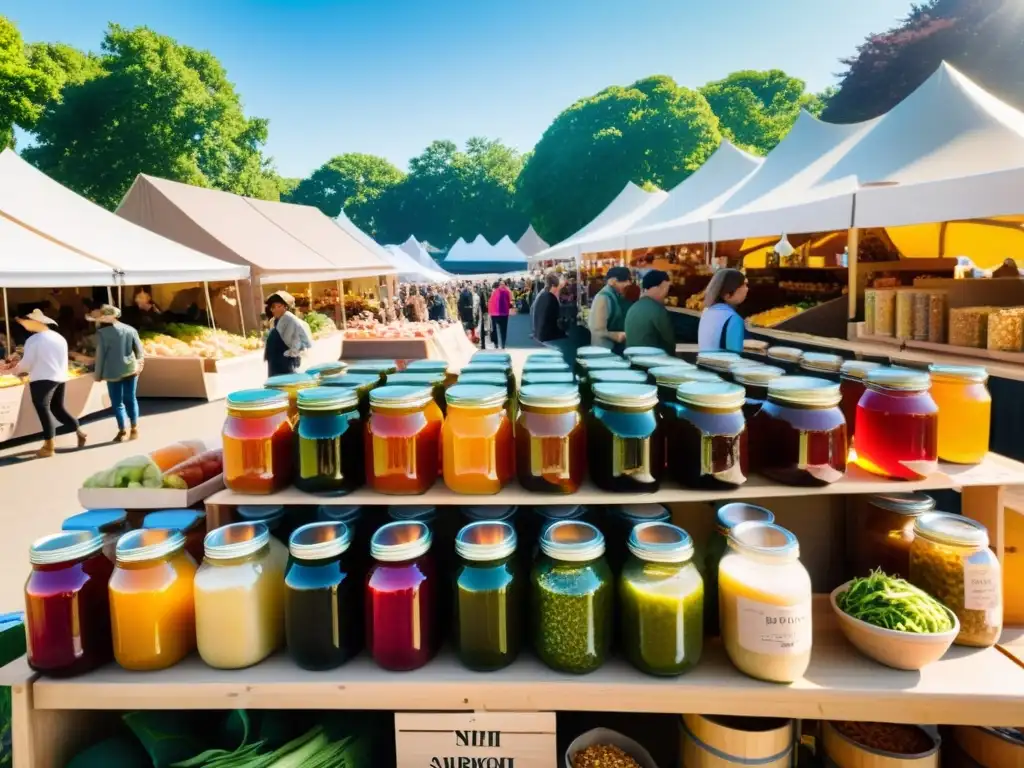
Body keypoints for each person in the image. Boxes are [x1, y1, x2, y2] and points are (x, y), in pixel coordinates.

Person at [13, 309, 87, 457]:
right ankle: (79, 430)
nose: (24, 326)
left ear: (35, 322)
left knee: (43, 409)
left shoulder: (33, 340)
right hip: (59, 376)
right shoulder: (59, 338)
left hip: (42, 378)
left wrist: (15, 370)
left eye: (24, 323)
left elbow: (26, 364)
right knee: (57, 408)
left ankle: (49, 446)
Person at [92, 305, 145, 442]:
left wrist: (98, 375)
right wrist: (140, 364)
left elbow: (101, 356)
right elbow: (139, 351)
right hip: (131, 369)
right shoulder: (131, 330)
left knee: (117, 402)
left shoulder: (103, 334)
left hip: (113, 371)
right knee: (131, 399)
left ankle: (122, 431)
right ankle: (134, 428)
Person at [624, 270, 676, 355]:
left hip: (633, 360)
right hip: (653, 362)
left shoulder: (633, 308)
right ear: (661, 286)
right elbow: (669, 343)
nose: (666, 293)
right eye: (667, 288)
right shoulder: (658, 310)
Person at [697, 268, 748, 353]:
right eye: (744, 285)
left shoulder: (707, 312)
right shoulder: (733, 319)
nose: (747, 289)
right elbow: (734, 358)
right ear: (728, 294)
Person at [264, 291, 312, 377]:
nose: (275, 309)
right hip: (273, 362)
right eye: (273, 307)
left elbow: (299, 342)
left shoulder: (291, 320)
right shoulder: (273, 321)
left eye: (279, 306)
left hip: (286, 363)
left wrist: (292, 353)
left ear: (286, 307)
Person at [588, 266, 632, 351]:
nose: (628, 283)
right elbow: (597, 330)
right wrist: (617, 335)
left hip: (613, 349)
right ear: (613, 281)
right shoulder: (603, 298)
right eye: (625, 280)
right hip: (604, 350)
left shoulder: (616, 295)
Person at [532, 272, 566, 343]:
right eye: (559, 286)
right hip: (548, 336)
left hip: (539, 334)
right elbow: (558, 321)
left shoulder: (542, 295)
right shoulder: (551, 298)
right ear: (554, 285)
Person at [489, 280, 512, 349]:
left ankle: (496, 343)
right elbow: (509, 301)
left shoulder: (494, 292)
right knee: (503, 330)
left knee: (495, 329)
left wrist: (490, 312)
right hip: (504, 314)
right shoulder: (507, 291)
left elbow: (490, 302)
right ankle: (503, 344)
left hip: (495, 314)